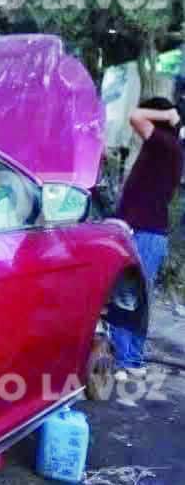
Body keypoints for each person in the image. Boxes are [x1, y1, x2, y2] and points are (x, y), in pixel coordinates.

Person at [111, 97, 183, 380]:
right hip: (148, 231)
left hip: (145, 232)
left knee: (126, 294)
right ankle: (132, 358)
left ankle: (124, 359)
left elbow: (135, 115)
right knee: (137, 295)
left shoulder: (163, 145)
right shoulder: (166, 149)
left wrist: (167, 114)